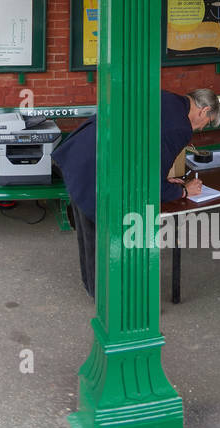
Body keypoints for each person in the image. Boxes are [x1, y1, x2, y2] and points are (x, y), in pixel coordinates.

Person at [52, 85, 202, 296]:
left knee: (88, 231)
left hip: (81, 154)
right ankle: (108, 299)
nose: (202, 128)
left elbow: (145, 149)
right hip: (99, 168)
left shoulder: (166, 98)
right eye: (207, 122)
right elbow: (153, 184)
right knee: (102, 231)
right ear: (204, 111)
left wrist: (164, 178)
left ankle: (93, 288)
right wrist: (183, 191)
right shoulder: (181, 127)